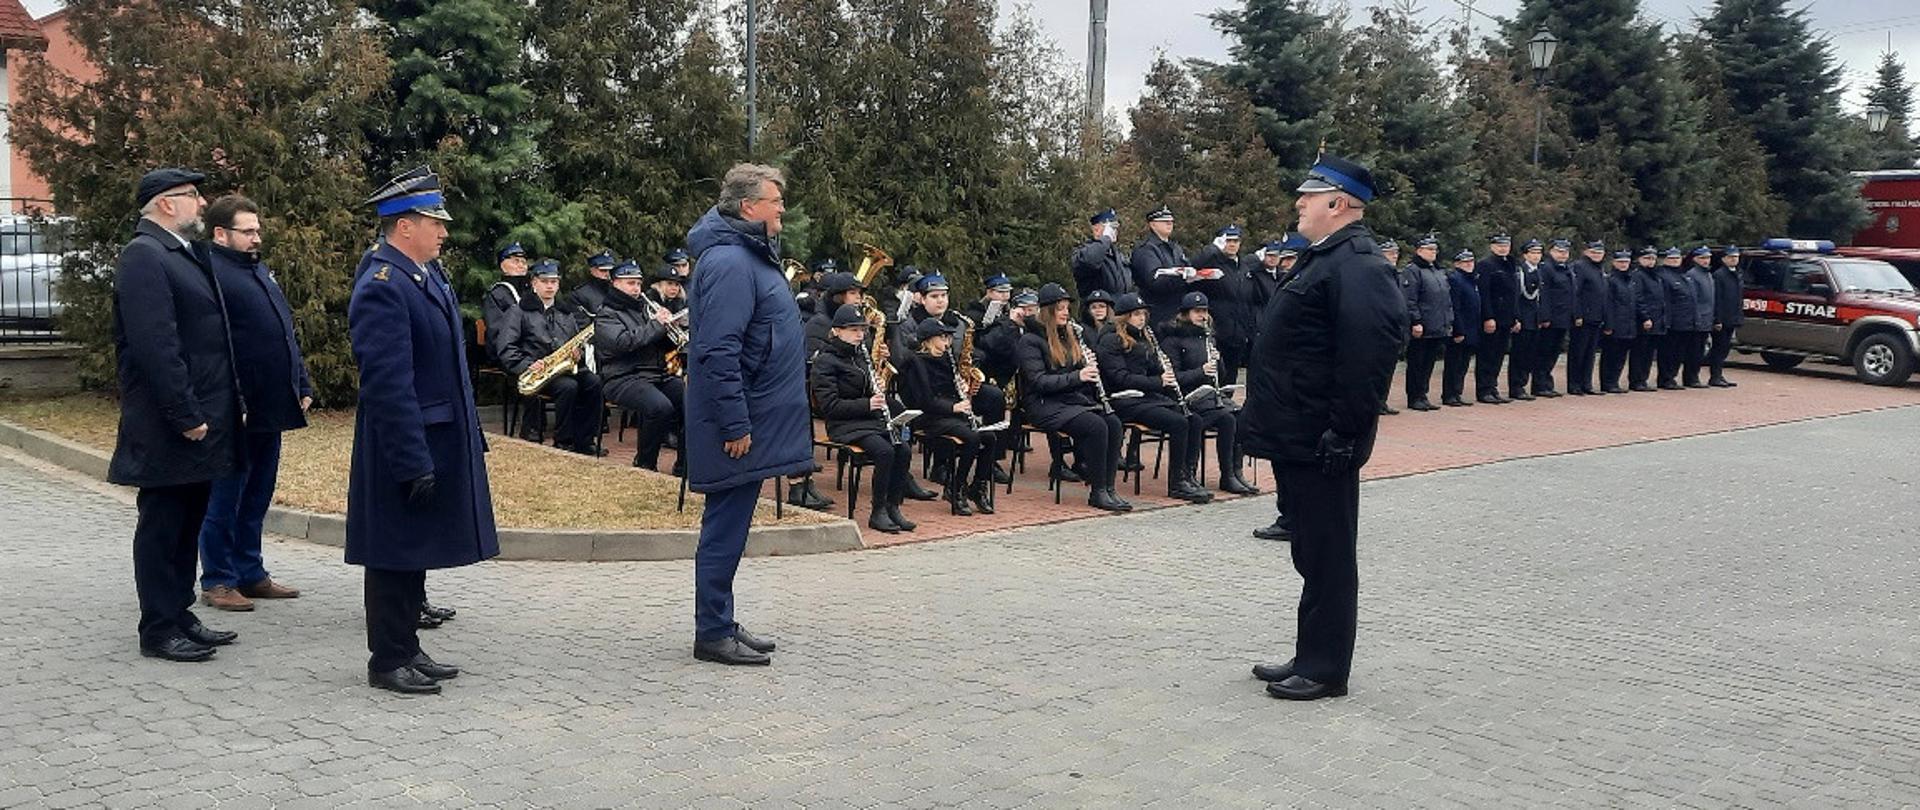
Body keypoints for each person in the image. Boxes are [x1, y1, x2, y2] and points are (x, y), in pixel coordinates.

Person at [1242, 154, 1407, 702]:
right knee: (1311, 550)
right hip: (1298, 434)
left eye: (1308, 197)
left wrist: (1345, 431)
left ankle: (1325, 668)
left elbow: (1369, 356)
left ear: (1337, 205)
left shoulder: (1358, 264)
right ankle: (1310, 652)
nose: (1299, 203)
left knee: (1330, 554)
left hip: (1322, 439)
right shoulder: (1324, 258)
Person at [347, 165, 499, 694]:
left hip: (436, 435)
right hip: (403, 442)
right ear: (403, 225)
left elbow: (451, 368)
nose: (444, 231)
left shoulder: (425, 274)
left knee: (414, 550)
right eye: (434, 221)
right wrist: (412, 460)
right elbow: (389, 386)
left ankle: (408, 646)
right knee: (393, 552)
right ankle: (387, 659)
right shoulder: (383, 285)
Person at [109, 167, 244, 663]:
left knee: (188, 520)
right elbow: (156, 346)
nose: (202, 203)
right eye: (193, 196)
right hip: (171, 421)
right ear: (167, 204)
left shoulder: (181, 253)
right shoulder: (144, 256)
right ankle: (158, 626)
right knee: (164, 524)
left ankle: (180, 612)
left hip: (201, 416)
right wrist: (184, 412)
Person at [683, 163, 814, 666]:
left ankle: (721, 621)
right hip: (740, 424)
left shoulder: (748, 255)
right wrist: (736, 424)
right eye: (775, 200)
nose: (782, 208)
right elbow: (718, 351)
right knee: (724, 527)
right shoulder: (731, 263)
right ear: (748, 207)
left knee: (731, 526)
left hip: (754, 417)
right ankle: (711, 632)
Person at [195, 194, 308, 613]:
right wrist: (234, 397)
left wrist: (301, 379)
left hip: (270, 404)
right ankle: (218, 579)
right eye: (248, 231)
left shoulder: (257, 270)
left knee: (258, 492)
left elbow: (282, 331)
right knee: (226, 496)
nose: (256, 237)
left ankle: (250, 571)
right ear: (221, 234)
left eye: (258, 230)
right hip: (235, 408)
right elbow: (217, 346)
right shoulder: (214, 276)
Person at [1017, 283, 1130, 512]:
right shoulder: (1029, 341)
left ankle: (1108, 487)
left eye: (1067, 308)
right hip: (1042, 404)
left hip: (1069, 400)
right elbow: (1039, 382)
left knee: (1114, 423)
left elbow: (1074, 373)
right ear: (1047, 311)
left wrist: (1087, 367)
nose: (1066, 313)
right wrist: (1078, 376)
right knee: (1096, 426)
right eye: (1060, 308)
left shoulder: (1069, 335)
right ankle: (1097, 491)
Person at [1094, 293, 1212, 504]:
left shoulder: (1144, 337)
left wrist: (1165, 376)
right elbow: (1120, 378)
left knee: (1193, 419)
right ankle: (1177, 483)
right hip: (1123, 399)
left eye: (1144, 314)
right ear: (1124, 317)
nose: (1142, 319)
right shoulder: (1110, 340)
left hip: (1148, 397)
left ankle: (1188, 474)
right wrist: (1158, 381)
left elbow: (1153, 371)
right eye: (1136, 314)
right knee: (1177, 423)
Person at [810, 304, 917, 534]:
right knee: (884, 451)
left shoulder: (861, 355)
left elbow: (867, 390)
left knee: (903, 449)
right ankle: (877, 512)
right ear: (837, 331)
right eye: (853, 330)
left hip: (868, 420)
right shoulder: (825, 362)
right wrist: (867, 403)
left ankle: (893, 507)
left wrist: (876, 388)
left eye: (862, 330)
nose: (859, 334)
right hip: (843, 424)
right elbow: (829, 406)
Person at [492, 259, 604, 454]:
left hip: (564, 367)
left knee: (594, 383)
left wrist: (579, 353)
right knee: (569, 387)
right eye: (545, 281)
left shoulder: (565, 311)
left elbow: (578, 341)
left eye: (554, 281)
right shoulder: (518, 311)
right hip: (537, 371)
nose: (550, 286)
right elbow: (506, 347)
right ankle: (564, 441)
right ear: (534, 283)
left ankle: (585, 440)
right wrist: (527, 364)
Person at [1157, 292, 1258, 496]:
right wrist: (1201, 372)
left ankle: (1233, 472)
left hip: (1209, 395)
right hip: (1187, 397)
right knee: (1225, 419)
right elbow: (1174, 377)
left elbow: (1219, 375)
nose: (1202, 316)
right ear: (1185, 314)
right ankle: (1200, 475)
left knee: (1240, 414)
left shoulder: (1207, 336)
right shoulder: (1172, 340)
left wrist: (1217, 361)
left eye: (1204, 311)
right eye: (1197, 312)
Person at [900, 317, 999, 515]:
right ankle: (956, 487)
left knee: (989, 437)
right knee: (971, 438)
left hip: (950, 415)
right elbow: (923, 400)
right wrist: (953, 407)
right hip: (928, 417)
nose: (947, 342)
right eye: (943, 337)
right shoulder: (916, 362)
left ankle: (978, 487)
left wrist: (961, 388)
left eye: (948, 337)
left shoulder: (947, 358)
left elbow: (948, 389)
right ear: (929, 339)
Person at [595, 262, 688, 471]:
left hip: (655, 375)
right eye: (630, 283)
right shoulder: (607, 313)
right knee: (659, 407)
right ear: (615, 283)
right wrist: (656, 325)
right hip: (622, 377)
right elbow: (623, 343)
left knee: (690, 402)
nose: (636, 288)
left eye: (638, 283)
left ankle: (684, 466)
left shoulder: (644, 309)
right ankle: (645, 464)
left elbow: (658, 345)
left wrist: (671, 330)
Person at [1190, 225, 1252, 387]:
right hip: (1217, 330)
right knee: (1214, 375)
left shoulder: (1243, 266)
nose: (1232, 244)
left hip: (1238, 331)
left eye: (1235, 241)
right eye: (1228, 241)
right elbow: (1193, 266)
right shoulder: (1212, 262)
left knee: (1231, 377)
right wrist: (1212, 248)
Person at [1400, 237, 1452, 411]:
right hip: (1422, 325)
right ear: (1419, 250)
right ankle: (1414, 397)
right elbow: (1410, 299)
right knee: (1417, 363)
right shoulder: (1413, 270)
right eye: (1429, 249)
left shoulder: (1437, 271)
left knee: (1429, 362)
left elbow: (1445, 299)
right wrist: (1416, 321)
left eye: (1435, 250)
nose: (1433, 253)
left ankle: (1423, 394)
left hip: (1437, 324)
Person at [1130, 204, 1195, 324]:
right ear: (1152, 224)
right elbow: (1155, 281)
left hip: (1177, 310)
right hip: (1158, 312)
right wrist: (1182, 276)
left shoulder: (1176, 248)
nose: (1169, 224)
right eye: (1164, 221)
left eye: (1171, 221)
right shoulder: (1146, 250)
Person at [1474, 234, 1516, 404]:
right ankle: (1484, 390)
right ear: (1492, 246)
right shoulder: (1485, 265)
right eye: (1499, 245)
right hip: (1493, 317)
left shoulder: (1510, 264)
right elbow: (1484, 293)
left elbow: (1513, 294)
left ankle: (1493, 387)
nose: (1503, 248)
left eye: (1506, 245)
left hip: (1506, 317)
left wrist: (1515, 317)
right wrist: (1488, 317)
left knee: (1499, 354)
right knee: (1487, 354)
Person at [1534, 239, 1577, 397]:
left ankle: (1547, 383)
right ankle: (1539, 385)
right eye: (1559, 251)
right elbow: (1544, 295)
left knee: (1553, 352)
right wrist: (1545, 316)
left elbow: (1571, 294)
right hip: (1551, 318)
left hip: (1563, 318)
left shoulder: (1566, 269)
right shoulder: (1546, 269)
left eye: (1565, 252)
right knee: (1544, 352)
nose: (1563, 254)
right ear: (1551, 251)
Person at [1567, 241, 1609, 395]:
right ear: (1586, 252)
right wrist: (1577, 314)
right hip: (1583, 317)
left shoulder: (1600, 269)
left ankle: (1586, 383)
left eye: (1600, 252)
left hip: (1596, 317)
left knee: (1590, 353)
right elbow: (1575, 292)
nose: (1597, 255)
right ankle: (1574, 384)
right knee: (1578, 352)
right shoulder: (1580, 267)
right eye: (1594, 252)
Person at [1655, 247, 1700, 390]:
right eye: (1672, 259)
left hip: (1686, 321)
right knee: (1668, 352)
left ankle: (1672, 377)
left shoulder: (1684, 276)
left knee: (1679, 353)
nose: (1675, 261)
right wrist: (1667, 321)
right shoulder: (1663, 275)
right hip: (1673, 322)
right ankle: (1665, 378)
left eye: (1677, 258)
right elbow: (1665, 301)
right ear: (1666, 260)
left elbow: (1692, 300)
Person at [1506, 239, 1545, 401]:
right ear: (1525, 255)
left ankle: (1523, 383)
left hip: (1535, 318)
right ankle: (1516, 386)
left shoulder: (1539, 270)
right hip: (1523, 318)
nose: (1536, 256)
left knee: (1530, 354)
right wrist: (1516, 318)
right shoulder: (1520, 272)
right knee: (1519, 354)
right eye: (1533, 253)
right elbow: (1517, 296)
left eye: (1538, 253)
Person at [1442, 248, 1481, 407]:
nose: (1469, 264)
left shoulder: (1472, 279)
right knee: (1454, 363)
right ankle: (1449, 394)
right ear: (1457, 264)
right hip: (1460, 328)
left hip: (1471, 327)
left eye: (1471, 261)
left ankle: (1457, 392)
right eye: (1465, 262)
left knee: (1463, 363)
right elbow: (1455, 307)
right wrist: (1458, 329)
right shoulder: (1456, 279)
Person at [1071, 208, 1133, 303]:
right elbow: (1089, 261)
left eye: (1116, 228)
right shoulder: (1084, 251)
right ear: (1096, 230)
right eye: (1111, 228)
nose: (1114, 232)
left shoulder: (1118, 255)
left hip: (1118, 311)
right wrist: (1105, 238)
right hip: (1097, 311)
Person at [1598, 250, 1639, 393]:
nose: (1623, 265)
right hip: (1615, 324)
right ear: (1614, 263)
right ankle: (1607, 382)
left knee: (1621, 356)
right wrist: (1608, 325)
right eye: (1620, 262)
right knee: (1610, 355)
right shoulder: (1611, 280)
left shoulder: (1629, 281)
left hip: (1628, 324)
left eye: (1626, 262)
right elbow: (1608, 304)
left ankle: (1614, 381)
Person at [1628, 247, 1668, 391]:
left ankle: (1643, 379)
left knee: (1649, 353)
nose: (1650, 262)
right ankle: (1636, 380)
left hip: (1656, 319)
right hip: (1644, 320)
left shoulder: (1655, 275)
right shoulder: (1638, 275)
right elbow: (1638, 298)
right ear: (1639, 259)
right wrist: (1645, 317)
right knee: (1640, 351)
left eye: (1652, 258)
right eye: (1647, 258)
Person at [1679, 247, 1718, 388]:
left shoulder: (1708, 275)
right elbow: (1693, 299)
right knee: (1693, 351)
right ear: (1695, 259)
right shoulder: (1692, 274)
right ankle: (1690, 378)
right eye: (1702, 258)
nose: (1706, 261)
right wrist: (1696, 318)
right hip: (1697, 319)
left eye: (1707, 258)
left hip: (1707, 318)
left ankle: (1694, 376)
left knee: (1700, 350)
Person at [1706, 246, 1744, 387]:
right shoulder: (1719, 275)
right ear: (1724, 259)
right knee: (1718, 347)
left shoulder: (1738, 274)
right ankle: (1714, 376)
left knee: (1725, 348)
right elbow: (1717, 299)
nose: (1734, 259)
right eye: (1730, 257)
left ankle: (1719, 375)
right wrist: (1717, 319)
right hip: (1722, 318)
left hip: (1732, 317)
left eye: (1736, 257)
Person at [481, 242, 530, 333]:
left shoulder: (532, 292)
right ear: (503, 266)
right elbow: (497, 331)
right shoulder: (496, 295)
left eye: (523, 262)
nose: (521, 265)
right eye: (515, 261)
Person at [567, 250, 617, 315]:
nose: (607, 274)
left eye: (610, 271)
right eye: (603, 270)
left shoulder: (619, 291)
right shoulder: (580, 295)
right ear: (592, 270)